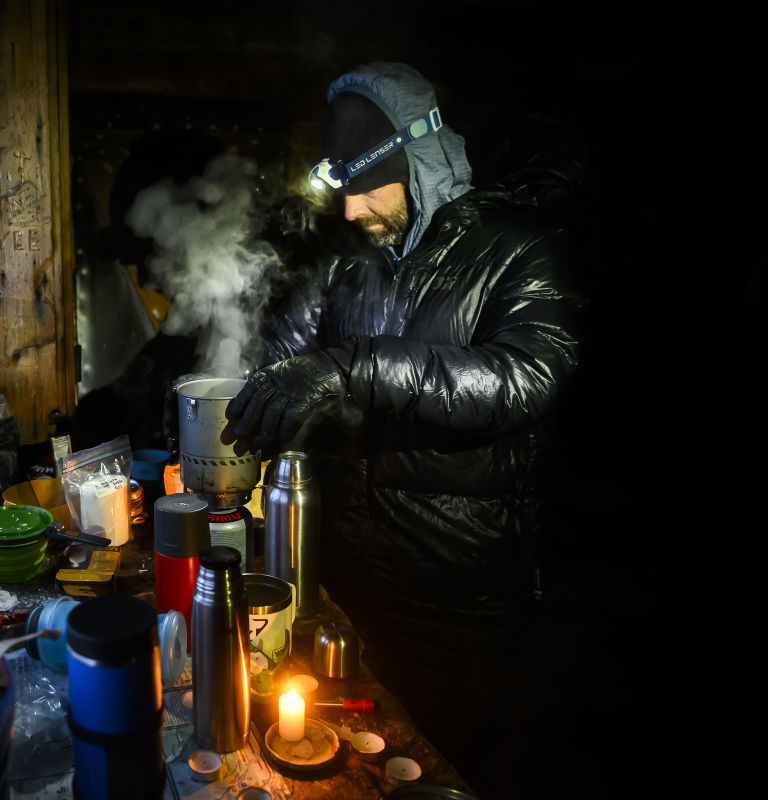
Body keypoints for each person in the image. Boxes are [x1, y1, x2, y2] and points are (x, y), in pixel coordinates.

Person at [226, 63, 588, 798]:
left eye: (368, 186)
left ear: (420, 161)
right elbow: (277, 360)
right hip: (345, 593)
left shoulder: (521, 250)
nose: (353, 211)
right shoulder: (347, 268)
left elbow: (523, 378)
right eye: (345, 189)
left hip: (460, 609)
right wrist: (231, 392)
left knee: (450, 772)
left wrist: (354, 368)